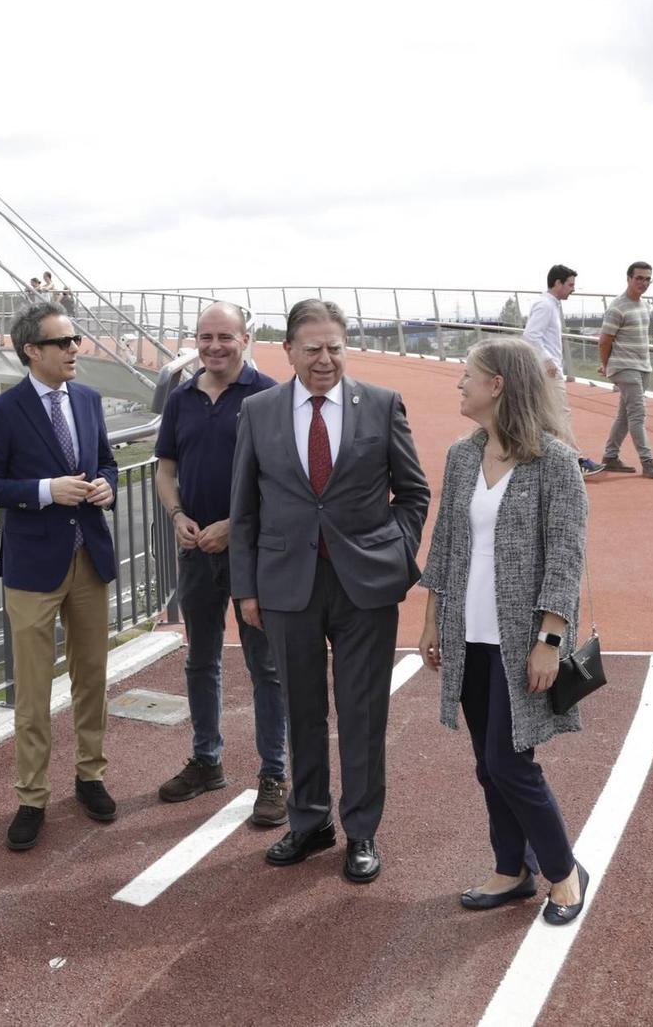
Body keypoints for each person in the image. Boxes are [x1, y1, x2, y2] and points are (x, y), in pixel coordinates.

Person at [229, 298, 429, 883]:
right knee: (302, 708)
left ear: (347, 348)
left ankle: (362, 830)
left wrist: (393, 551)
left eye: (334, 348)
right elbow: (244, 510)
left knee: (363, 712)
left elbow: (413, 493)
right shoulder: (259, 411)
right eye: (312, 349)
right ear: (287, 351)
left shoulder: (383, 405)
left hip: (364, 585)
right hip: (286, 585)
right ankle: (310, 821)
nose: (324, 359)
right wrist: (246, 589)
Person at [418, 338, 591, 925]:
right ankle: (510, 867)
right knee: (488, 764)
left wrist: (549, 640)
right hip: (468, 634)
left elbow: (566, 555)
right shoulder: (463, 455)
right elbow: (445, 542)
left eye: (467, 376)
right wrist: (430, 620)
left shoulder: (555, 462)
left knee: (511, 762)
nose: (459, 384)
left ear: (497, 386)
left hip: (522, 640)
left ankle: (563, 872)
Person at [0, 301, 120, 852]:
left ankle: (90, 777)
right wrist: (43, 491)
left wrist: (105, 485)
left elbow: (106, 462)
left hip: (89, 560)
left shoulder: (88, 399)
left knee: (93, 678)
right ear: (33, 350)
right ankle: (31, 797)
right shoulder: (4, 411)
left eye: (75, 340)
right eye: (64, 342)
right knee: (33, 690)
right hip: (33, 567)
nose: (75, 348)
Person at [153, 303, 289, 826]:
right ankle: (207, 760)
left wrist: (233, 525)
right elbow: (166, 470)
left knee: (265, 668)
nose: (214, 346)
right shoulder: (182, 397)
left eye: (224, 337)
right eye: (205, 337)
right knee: (200, 659)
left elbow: (282, 479)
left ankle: (273, 773)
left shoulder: (270, 395)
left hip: (251, 554)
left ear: (245, 339)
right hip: (194, 551)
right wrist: (178, 514)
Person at [523, 266, 601, 475]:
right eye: (570, 285)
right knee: (559, 415)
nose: (573, 289)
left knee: (545, 416)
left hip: (546, 369)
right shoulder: (545, 305)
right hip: (547, 372)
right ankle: (574, 461)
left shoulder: (550, 305)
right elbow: (530, 336)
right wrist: (548, 361)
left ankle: (544, 461)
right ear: (557, 283)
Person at [596, 262, 653, 478]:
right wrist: (607, 366)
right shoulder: (617, 307)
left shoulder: (645, 307)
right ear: (628, 278)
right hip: (625, 368)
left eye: (647, 279)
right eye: (639, 278)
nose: (643, 283)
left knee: (625, 416)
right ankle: (648, 462)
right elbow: (604, 340)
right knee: (638, 415)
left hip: (642, 366)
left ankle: (610, 457)